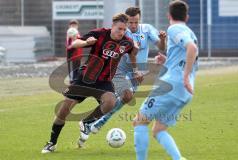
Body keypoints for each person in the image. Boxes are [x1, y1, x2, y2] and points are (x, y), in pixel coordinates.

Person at [41, 13, 139, 153]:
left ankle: (87, 122)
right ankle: (52, 143)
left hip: (104, 81)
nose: (121, 32)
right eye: (119, 29)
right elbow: (75, 43)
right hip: (85, 78)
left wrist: (135, 70)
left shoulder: (127, 43)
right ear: (112, 26)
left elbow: (132, 54)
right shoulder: (99, 33)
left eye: (124, 29)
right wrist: (87, 43)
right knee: (63, 112)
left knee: (110, 102)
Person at [77, 7, 167, 147]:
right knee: (126, 94)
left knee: (127, 98)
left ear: (139, 20)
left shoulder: (147, 29)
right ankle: (96, 122)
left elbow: (161, 47)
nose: (133, 25)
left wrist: (162, 39)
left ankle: (92, 123)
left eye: (136, 22)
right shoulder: (122, 31)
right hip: (119, 69)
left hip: (137, 71)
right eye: (130, 22)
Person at [133, 1, 198, 160]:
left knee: (139, 122)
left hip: (172, 86)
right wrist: (167, 61)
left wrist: (184, 76)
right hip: (184, 93)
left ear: (169, 15)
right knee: (159, 130)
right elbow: (185, 55)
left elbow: (192, 49)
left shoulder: (174, 28)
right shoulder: (191, 32)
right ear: (187, 17)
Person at [66, 19, 83, 84]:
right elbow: (69, 45)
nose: (73, 26)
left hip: (78, 53)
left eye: (75, 25)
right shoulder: (70, 33)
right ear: (69, 26)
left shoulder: (77, 33)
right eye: (72, 25)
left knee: (77, 67)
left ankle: (75, 80)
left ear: (77, 26)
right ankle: (72, 80)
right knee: (72, 68)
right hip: (71, 54)